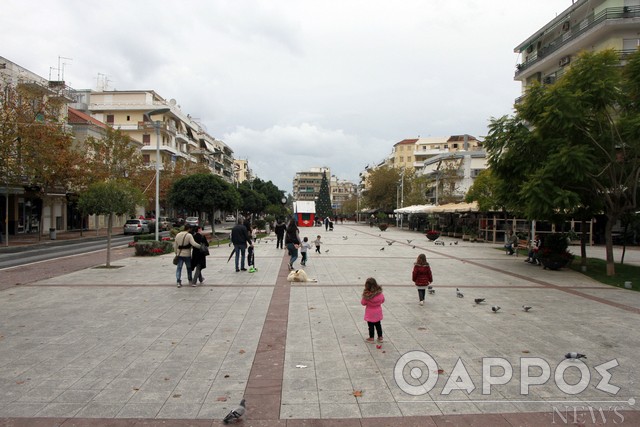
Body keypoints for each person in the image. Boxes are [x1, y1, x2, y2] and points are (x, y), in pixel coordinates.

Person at [174, 224, 201, 288]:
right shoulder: (189, 235)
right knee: (189, 268)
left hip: (179, 254)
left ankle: (178, 281)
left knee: (179, 268)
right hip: (187, 254)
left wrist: (176, 253)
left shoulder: (178, 235)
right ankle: (190, 279)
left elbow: (175, 245)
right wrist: (201, 247)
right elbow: (193, 244)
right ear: (189, 229)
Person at [361, 277, 384, 343]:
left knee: (370, 326)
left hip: (370, 313)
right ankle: (380, 337)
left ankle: (371, 338)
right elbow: (382, 300)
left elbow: (363, 303)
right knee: (378, 325)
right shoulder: (379, 293)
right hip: (378, 312)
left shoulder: (367, 295)